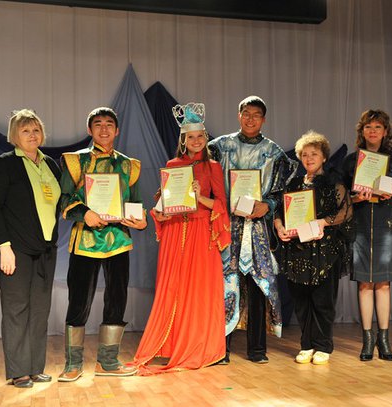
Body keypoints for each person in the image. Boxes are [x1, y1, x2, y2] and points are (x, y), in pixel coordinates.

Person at [132, 103, 231, 373]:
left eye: (200, 136)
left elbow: (221, 206)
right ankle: (170, 346)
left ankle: (198, 346)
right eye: (191, 137)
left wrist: (200, 197)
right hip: (176, 231)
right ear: (183, 140)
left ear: (205, 138)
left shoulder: (213, 167)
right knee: (173, 287)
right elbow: (166, 203)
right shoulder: (172, 165)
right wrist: (161, 210)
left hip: (201, 233)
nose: (196, 141)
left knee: (198, 291)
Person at [58, 107, 147, 381]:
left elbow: (135, 202)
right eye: (98, 124)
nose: (104, 129)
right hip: (85, 240)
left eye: (109, 124)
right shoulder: (75, 161)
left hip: (118, 240)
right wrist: (84, 213)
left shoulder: (129, 165)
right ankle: (73, 364)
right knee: (78, 300)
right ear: (90, 130)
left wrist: (140, 220)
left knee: (117, 299)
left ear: (117, 130)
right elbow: (64, 199)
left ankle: (107, 362)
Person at [208, 95, 297, 364]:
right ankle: (220, 349)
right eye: (246, 113)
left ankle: (257, 349)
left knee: (258, 286)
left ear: (264, 119)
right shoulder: (219, 147)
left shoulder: (274, 153)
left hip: (257, 229)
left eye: (256, 115)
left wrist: (267, 205)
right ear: (239, 115)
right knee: (226, 286)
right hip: (227, 227)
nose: (250, 119)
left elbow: (282, 191)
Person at [0, 109, 61, 388]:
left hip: (45, 248)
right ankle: (19, 372)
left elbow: (61, 201)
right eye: (25, 130)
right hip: (13, 248)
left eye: (36, 129)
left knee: (40, 310)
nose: (32, 135)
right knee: (16, 308)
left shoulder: (51, 164)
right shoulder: (4, 164)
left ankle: (35, 368)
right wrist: (4, 247)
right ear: (14, 136)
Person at [274, 131, 352, 365]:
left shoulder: (333, 182)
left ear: (324, 157)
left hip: (324, 252)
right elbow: (278, 211)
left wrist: (323, 222)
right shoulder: (294, 184)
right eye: (305, 154)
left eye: (314, 154)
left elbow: (346, 211)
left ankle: (323, 346)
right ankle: (306, 345)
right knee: (301, 301)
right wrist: (280, 227)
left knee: (323, 301)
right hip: (298, 251)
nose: (309, 158)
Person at [341, 109, 392, 362]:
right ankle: (367, 339)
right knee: (364, 283)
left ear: (385, 132)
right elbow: (342, 197)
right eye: (368, 127)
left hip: (386, 224)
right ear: (362, 131)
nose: (373, 131)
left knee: (384, 284)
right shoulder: (351, 161)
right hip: (360, 225)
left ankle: (384, 340)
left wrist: (390, 189)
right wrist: (357, 197)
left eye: (378, 127)